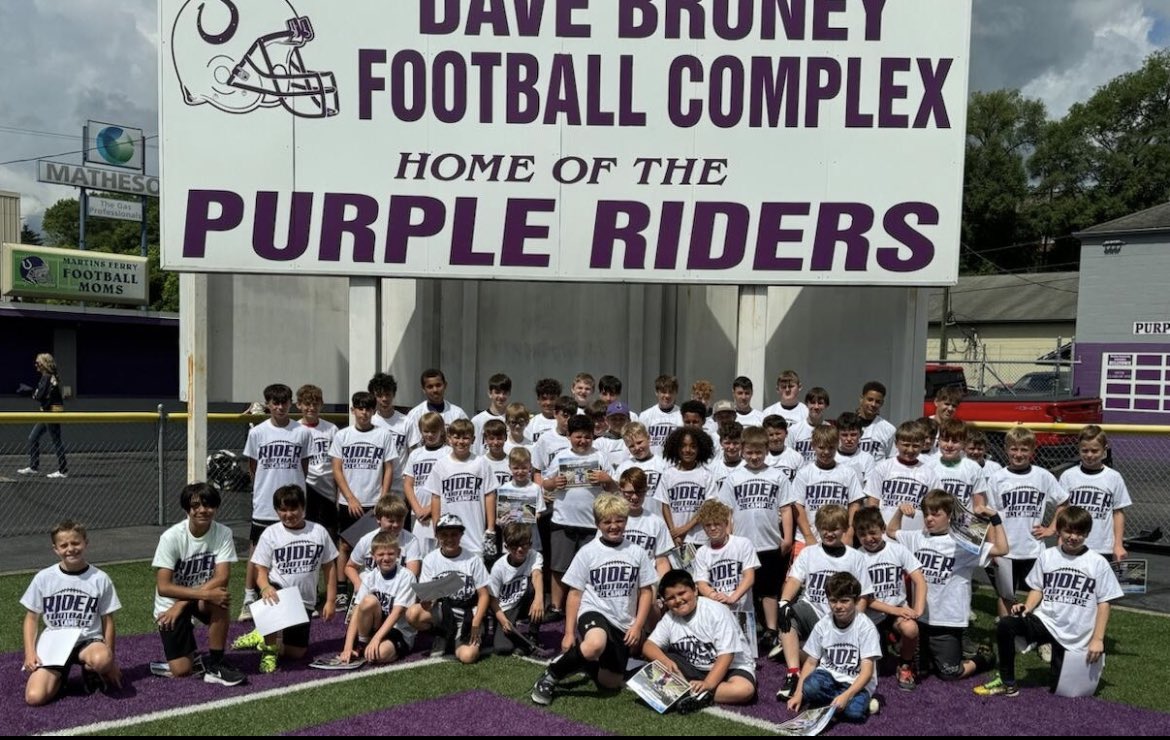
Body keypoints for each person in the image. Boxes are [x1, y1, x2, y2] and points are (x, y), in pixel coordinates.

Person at [974, 506, 1123, 697]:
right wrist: (1027, 607)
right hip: (1046, 621)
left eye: (1079, 533)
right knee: (1006, 625)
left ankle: (1060, 663)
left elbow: (1104, 603)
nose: (1073, 537)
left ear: (1087, 533)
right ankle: (1007, 682)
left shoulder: (1097, 562)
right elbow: (1038, 587)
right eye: (1068, 531)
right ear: (1059, 531)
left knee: (1063, 689)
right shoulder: (1048, 555)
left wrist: (1098, 639)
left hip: (1075, 631)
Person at [530, 494, 656, 706]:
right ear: (598, 524)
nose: (614, 526)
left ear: (626, 520)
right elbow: (575, 594)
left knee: (610, 683)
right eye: (607, 522)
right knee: (595, 644)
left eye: (619, 521)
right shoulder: (588, 552)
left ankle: (583, 660)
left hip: (622, 622)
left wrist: (638, 626)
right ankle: (550, 676)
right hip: (594, 612)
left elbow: (646, 592)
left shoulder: (637, 553)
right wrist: (569, 633)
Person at [889, 490, 1006, 683]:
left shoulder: (963, 543)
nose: (929, 519)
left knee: (949, 672)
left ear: (950, 516)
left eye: (936, 514)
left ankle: (984, 657)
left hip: (948, 619)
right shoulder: (918, 537)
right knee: (921, 669)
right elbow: (891, 532)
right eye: (926, 514)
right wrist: (900, 512)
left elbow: (1002, 549)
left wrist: (995, 518)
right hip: (920, 617)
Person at [232, 485, 338, 673]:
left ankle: (263, 635)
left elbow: (329, 567)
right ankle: (269, 650)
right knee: (275, 591)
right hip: (277, 593)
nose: (288, 514)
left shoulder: (319, 532)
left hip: (305, 601)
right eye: (283, 509)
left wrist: (330, 600)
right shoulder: (271, 533)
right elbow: (260, 569)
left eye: (293, 508)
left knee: (297, 653)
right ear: (276, 511)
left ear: (303, 507)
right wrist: (264, 587)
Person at [773, 505, 873, 697]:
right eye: (824, 528)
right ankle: (793, 673)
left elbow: (863, 596)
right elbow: (794, 579)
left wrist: (854, 623)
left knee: (829, 666)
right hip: (812, 610)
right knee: (787, 612)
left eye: (834, 528)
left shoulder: (856, 557)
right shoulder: (809, 553)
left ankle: (796, 650)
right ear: (818, 528)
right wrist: (784, 601)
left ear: (844, 529)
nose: (829, 533)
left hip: (840, 618)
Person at [152, 483, 245, 686]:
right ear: (187, 509)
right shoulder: (171, 537)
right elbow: (164, 587)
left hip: (196, 598)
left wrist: (183, 602)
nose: (203, 510)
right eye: (196, 505)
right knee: (182, 671)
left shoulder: (223, 533)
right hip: (169, 605)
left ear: (216, 507)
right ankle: (176, 659)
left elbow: (222, 578)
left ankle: (216, 664)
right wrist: (179, 603)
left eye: (208, 505)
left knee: (220, 597)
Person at [21, 520, 121, 705]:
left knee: (102, 659)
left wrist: (110, 662)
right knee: (34, 698)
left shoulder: (100, 578)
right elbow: (31, 618)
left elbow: (108, 621)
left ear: (85, 543)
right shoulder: (44, 578)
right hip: (55, 644)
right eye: (64, 545)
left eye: (75, 543)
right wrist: (29, 653)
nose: (70, 549)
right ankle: (60, 677)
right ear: (55, 549)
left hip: (87, 641)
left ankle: (92, 672)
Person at [714, 426, 791, 655]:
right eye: (749, 452)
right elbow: (726, 511)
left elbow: (785, 508)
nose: (754, 457)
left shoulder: (777, 476)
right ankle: (741, 631)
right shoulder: (734, 478)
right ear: (742, 450)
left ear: (767, 450)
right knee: (743, 588)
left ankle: (771, 630)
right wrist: (728, 537)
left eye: (759, 452)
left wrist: (786, 537)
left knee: (769, 589)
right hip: (742, 543)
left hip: (769, 542)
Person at [239, 383, 312, 621]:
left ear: (291, 403)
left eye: (284, 402)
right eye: (275, 402)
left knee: (292, 549)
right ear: (268, 404)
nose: (280, 407)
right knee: (256, 551)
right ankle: (249, 597)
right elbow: (253, 467)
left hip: (293, 503)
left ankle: (297, 596)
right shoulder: (257, 432)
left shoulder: (301, 432)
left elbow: (304, 465)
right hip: (264, 503)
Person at [643, 569, 757, 711]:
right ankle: (696, 693)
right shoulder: (669, 618)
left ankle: (685, 691)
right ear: (665, 602)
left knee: (744, 690)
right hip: (694, 667)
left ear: (695, 590)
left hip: (731, 667)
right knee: (655, 662)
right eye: (671, 598)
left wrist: (708, 684)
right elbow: (648, 646)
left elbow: (727, 655)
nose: (678, 600)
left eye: (682, 593)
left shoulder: (716, 611)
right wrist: (665, 661)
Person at [985, 426, 1069, 617]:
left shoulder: (1043, 476)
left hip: (1033, 547)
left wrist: (1052, 528)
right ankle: (1006, 632)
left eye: (1024, 449)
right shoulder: (997, 479)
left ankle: (1038, 636)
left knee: (1038, 591)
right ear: (1006, 449)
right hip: (1006, 548)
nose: (1018, 454)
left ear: (1032, 451)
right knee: (1006, 594)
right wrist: (992, 546)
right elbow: (990, 515)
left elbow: (1063, 501)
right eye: (1014, 449)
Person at [544, 414, 616, 616]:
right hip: (562, 520)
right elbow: (546, 482)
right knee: (559, 567)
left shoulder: (600, 456)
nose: (583, 441)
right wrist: (554, 483)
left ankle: (586, 607)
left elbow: (613, 486)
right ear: (569, 436)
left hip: (592, 524)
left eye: (587, 437)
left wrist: (606, 478)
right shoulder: (560, 457)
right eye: (578, 436)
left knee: (589, 568)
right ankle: (556, 607)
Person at [783, 572, 881, 721]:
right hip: (828, 676)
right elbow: (810, 662)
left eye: (844, 601)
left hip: (855, 682)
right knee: (809, 688)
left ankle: (852, 702)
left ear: (855, 601)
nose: (838, 606)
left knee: (854, 713)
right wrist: (798, 694)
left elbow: (867, 673)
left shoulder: (866, 627)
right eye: (833, 601)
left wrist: (847, 695)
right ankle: (837, 703)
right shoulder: (823, 624)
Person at [330, 391, 395, 608]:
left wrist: (383, 499)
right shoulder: (343, 435)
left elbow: (388, 468)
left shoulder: (383, 434)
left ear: (373, 411)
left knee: (376, 546)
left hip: (373, 501)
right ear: (353, 410)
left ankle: (377, 586)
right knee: (345, 546)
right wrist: (350, 498)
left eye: (368, 409)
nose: (364, 413)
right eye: (360, 408)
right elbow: (337, 469)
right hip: (349, 502)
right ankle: (341, 590)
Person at [854, 506, 926, 691]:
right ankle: (888, 641)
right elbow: (866, 599)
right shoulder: (857, 558)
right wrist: (897, 610)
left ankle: (905, 664)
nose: (869, 539)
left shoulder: (897, 550)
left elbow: (919, 580)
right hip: (872, 614)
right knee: (871, 670)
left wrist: (917, 609)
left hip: (897, 609)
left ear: (883, 528)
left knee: (911, 628)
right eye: (862, 534)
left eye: (873, 533)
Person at [406, 514, 490, 663]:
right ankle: (443, 635)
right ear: (437, 535)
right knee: (413, 613)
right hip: (444, 611)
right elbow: (428, 595)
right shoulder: (430, 559)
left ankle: (461, 637)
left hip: (468, 613)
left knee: (467, 657)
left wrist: (476, 622)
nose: (449, 539)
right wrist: (427, 601)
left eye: (454, 534)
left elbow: (484, 595)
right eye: (444, 535)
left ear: (461, 535)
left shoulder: (473, 559)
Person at [338, 531, 417, 666]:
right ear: (373, 556)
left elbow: (397, 613)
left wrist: (376, 639)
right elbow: (357, 610)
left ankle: (373, 645)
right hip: (375, 627)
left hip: (398, 629)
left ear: (398, 554)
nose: (386, 558)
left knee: (378, 655)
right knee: (368, 601)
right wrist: (347, 647)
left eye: (391, 554)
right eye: (381, 554)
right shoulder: (370, 577)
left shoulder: (407, 576)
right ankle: (363, 643)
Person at [423, 418, 497, 557]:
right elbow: (436, 498)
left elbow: (490, 495)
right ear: (449, 438)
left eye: (465, 438)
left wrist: (490, 529)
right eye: (456, 437)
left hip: (475, 537)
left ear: (473, 439)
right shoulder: (441, 465)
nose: (461, 442)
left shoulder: (481, 463)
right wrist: (436, 529)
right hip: (448, 536)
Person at [1058, 425, 1131, 561]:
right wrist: (1061, 538)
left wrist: (1118, 544)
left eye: (1094, 450)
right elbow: (1063, 511)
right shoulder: (1068, 476)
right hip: (1073, 543)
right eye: (1085, 450)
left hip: (1103, 546)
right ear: (1078, 449)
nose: (1089, 455)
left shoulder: (1113, 477)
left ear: (1104, 450)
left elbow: (1118, 513)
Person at [791, 425, 865, 547]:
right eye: (821, 447)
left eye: (831, 448)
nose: (826, 452)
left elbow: (855, 504)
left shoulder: (847, 472)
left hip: (840, 537)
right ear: (813, 446)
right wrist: (808, 536)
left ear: (837, 445)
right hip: (807, 538)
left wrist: (849, 534)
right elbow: (798, 506)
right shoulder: (804, 473)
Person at [864, 420, 941, 533]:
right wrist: (875, 527)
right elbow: (873, 502)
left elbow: (936, 505)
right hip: (885, 533)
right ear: (896, 444)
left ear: (922, 446)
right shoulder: (883, 467)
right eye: (905, 445)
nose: (910, 450)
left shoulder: (929, 473)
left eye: (915, 446)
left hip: (915, 535)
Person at [489, 523, 546, 656]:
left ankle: (533, 635)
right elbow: (493, 601)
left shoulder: (535, 556)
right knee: (502, 649)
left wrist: (539, 599)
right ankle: (523, 643)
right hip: (505, 607)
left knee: (536, 589)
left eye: (524, 545)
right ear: (506, 547)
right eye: (514, 546)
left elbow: (537, 574)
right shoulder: (498, 568)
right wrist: (503, 621)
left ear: (530, 544)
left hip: (525, 600)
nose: (520, 549)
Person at [693, 500, 759, 614]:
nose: (712, 528)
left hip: (743, 610)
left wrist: (732, 598)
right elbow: (701, 583)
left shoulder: (743, 544)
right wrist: (714, 596)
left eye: (717, 523)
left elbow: (749, 577)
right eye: (708, 525)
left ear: (726, 523)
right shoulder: (701, 553)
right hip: (718, 611)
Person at [346, 495, 424, 588]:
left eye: (399, 520)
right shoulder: (367, 540)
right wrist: (358, 584)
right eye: (391, 521)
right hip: (371, 586)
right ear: (378, 519)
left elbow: (412, 573)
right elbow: (350, 567)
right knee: (363, 577)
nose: (395, 525)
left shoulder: (411, 541)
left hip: (398, 586)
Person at [658, 426, 717, 546]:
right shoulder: (668, 474)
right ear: (676, 448)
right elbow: (665, 506)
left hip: (699, 538)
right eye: (683, 446)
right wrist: (674, 532)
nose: (688, 450)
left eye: (693, 446)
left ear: (700, 449)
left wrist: (684, 529)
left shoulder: (706, 475)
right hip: (675, 539)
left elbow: (708, 507)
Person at [296, 384, 339, 545]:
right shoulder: (295, 429)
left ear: (321, 404)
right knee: (307, 535)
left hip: (328, 489)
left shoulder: (331, 429)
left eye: (315, 404)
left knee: (330, 536)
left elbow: (337, 463)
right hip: (305, 487)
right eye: (307, 404)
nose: (311, 408)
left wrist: (338, 493)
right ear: (299, 404)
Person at [403, 412, 450, 554]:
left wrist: (430, 508)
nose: (430, 435)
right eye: (426, 431)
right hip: (418, 514)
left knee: (439, 551)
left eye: (434, 431)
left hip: (440, 511)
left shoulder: (448, 453)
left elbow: (448, 486)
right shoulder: (415, 454)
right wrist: (417, 509)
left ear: (441, 430)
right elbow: (408, 484)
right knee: (418, 553)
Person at [18, 353, 68, 478]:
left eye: (38, 363)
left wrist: (31, 392)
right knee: (33, 438)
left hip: (51, 413)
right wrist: (35, 393)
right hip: (48, 412)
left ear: (44, 364)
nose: (36, 366)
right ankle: (34, 466)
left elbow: (39, 396)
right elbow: (41, 395)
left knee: (56, 441)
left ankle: (63, 470)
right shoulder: (49, 377)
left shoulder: (47, 377)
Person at [368, 372, 410, 498]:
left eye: (388, 394)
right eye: (379, 395)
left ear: (393, 395)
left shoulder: (406, 422)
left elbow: (413, 456)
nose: (384, 399)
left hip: (401, 490)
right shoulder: (370, 422)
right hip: (375, 491)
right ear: (373, 396)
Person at [404, 369, 468, 449]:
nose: (435, 390)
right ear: (423, 389)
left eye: (438, 385)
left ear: (445, 385)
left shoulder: (458, 414)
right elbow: (412, 447)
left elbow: (467, 443)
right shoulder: (414, 415)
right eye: (430, 387)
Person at [640, 374, 683, 455]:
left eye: (671, 392)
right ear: (656, 392)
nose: (667, 396)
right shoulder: (645, 416)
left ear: (676, 393)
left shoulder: (682, 415)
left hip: (674, 463)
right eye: (663, 392)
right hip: (652, 463)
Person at [471, 373, 512, 456]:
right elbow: (473, 450)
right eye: (497, 392)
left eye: (504, 393)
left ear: (509, 394)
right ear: (490, 393)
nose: (501, 396)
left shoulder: (513, 420)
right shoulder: (477, 420)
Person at [856, 381, 896, 461]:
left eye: (878, 402)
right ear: (861, 399)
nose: (873, 404)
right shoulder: (847, 426)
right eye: (870, 399)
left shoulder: (889, 429)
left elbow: (891, 460)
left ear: (882, 403)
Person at [526, 378, 563, 442]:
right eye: (544, 398)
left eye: (552, 399)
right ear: (538, 400)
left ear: (559, 399)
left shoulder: (565, 423)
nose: (548, 403)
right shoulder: (531, 424)